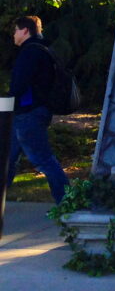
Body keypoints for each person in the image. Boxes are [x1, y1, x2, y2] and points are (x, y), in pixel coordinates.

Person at [7, 16, 70, 204]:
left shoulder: (30, 52)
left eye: (16, 30)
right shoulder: (44, 49)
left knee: (42, 159)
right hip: (32, 112)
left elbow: (20, 85)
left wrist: (8, 100)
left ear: (25, 30)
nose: (14, 34)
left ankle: (67, 200)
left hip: (28, 113)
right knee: (7, 159)